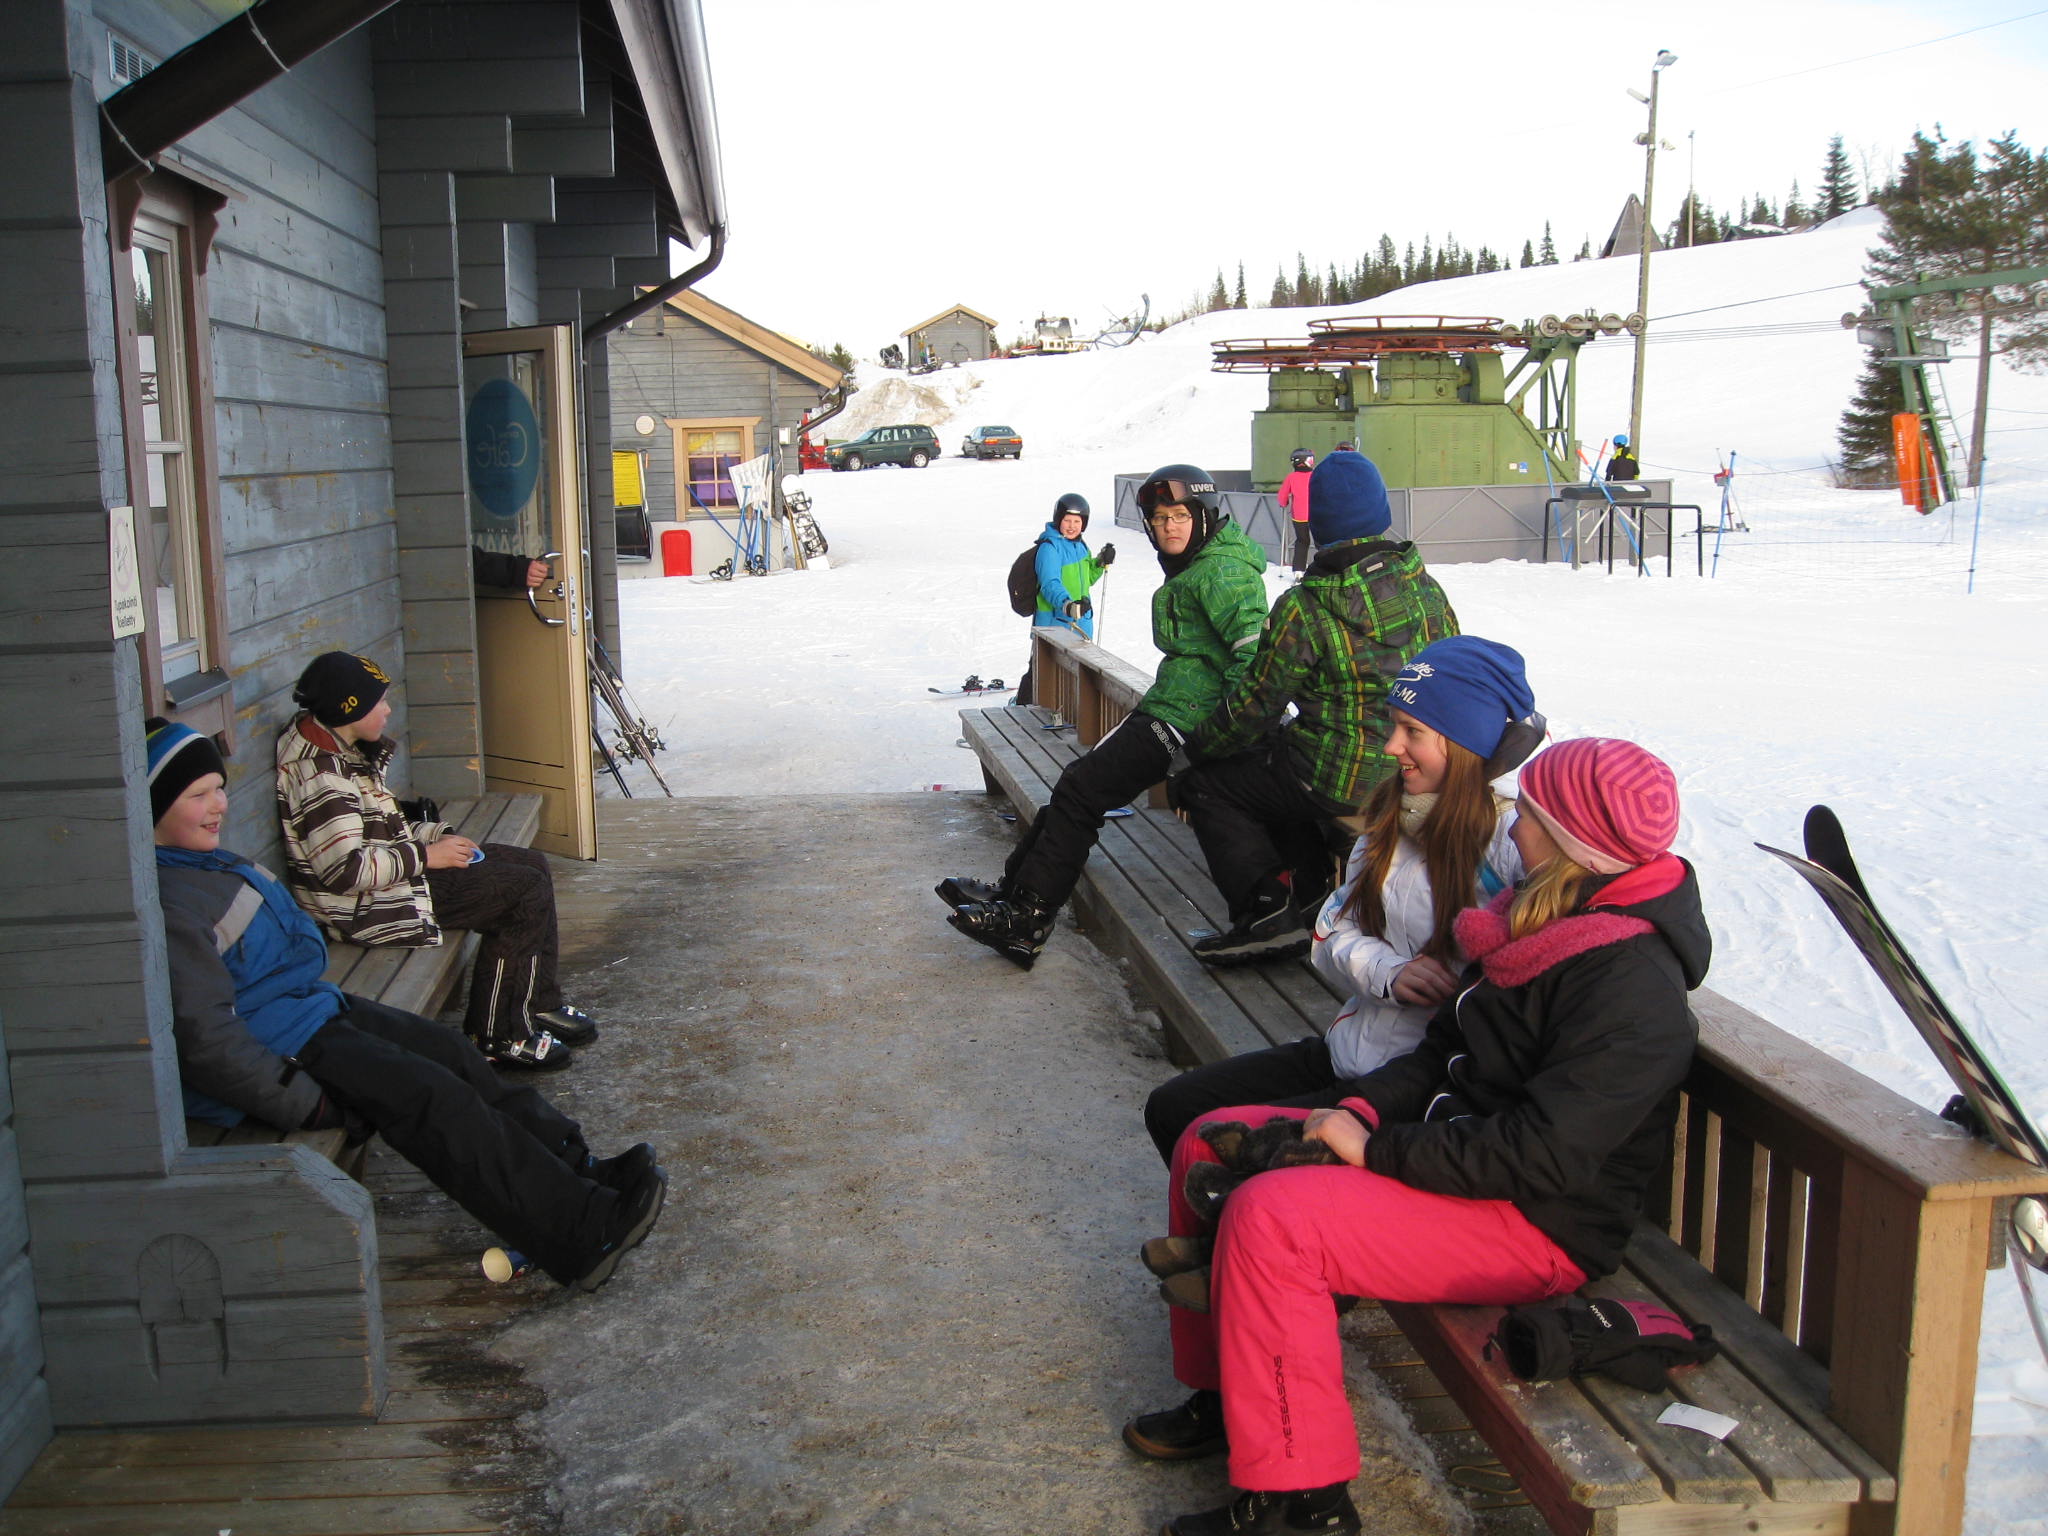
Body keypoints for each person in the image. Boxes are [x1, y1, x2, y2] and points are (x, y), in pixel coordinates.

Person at [1127, 736, 1707, 1536]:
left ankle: (1301, 1502)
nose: (1517, 827)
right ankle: (1226, 1399)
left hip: (1538, 1220)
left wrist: (1378, 1151)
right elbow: (1440, 1054)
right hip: (1463, 1159)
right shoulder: (1543, 919)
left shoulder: (1630, 984)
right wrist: (1363, 1113)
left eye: (1533, 815)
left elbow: (1544, 1154)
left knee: (1273, 1220)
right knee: (1205, 1135)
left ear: (1575, 842)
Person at [147, 719, 666, 1291]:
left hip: (312, 1008)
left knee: (452, 1054)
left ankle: (578, 1171)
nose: (219, 805)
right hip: (286, 1050)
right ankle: (578, 1233)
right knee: (432, 1099)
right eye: (197, 795)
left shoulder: (204, 863)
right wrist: (302, 1103)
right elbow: (206, 1042)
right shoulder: (169, 905)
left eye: (219, 788)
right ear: (153, 808)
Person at [1140, 637, 1542, 1161]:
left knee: (1225, 1151)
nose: (1390, 746)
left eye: (1412, 731)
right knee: (1174, 1106)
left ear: (1465, 742)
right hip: (1350, 1051)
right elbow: (1333, 926)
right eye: (1393, 726)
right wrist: (1388, 973)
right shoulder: (1399, 814)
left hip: (1416, 1090)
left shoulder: (1512, 841)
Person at [938, 465, 1267, 969]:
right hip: (1173, 706)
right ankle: (1016, 893)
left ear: (1203, 516)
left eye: (1180, 516)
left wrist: (1218, 737)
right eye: (1159, 519)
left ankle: (1028, 917)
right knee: (1078, 785)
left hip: (1188, 719)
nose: (1169, 527)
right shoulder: (1202, 563)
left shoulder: (1223, 571)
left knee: (1083, 791)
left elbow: (1254, 659)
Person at [1174, 450, 1458, 966]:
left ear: (1320, 524)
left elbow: (1256, 707)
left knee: (1212, 783)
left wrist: (1194, 751)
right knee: (1279, 768)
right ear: (1381, 512)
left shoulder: (1306, 606)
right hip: (1416, 768)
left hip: (1340, 777)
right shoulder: (1427, 592)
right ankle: (1307, 895)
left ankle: (1266, 910)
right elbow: (1451, 677)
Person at [276, 651, 597, 1072]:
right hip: (368, 908)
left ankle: (536, 1001)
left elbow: (374, 826)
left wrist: (433, 836)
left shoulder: (337, 746)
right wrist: (428, 855)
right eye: (378, 702)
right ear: (347, 709)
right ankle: (498, 1034)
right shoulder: (322, 780)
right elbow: (345, 871)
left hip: (389, 882)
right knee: (522, 891)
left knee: (531, 863)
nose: (388, 709)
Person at [1016, 492, 1114, 707]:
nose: (1072, 526)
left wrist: (1099, 563)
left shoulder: (1080, 546)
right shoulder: (1049, 548)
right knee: (1042, 672)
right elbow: (1050, 584)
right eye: (1067, 520)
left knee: (1075, 675)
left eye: (1077, 521)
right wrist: (1067, 605)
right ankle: (1021, 708)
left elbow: (1086, 579)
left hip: (1080, 624)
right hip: (1054, 624)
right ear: (1058, 519)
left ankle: (1067, 711)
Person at [1277, 449, 1314, 575]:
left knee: (1302, 541)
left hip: (1299, 516)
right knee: (1321, 542)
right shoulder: (1316, 475)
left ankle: (1298, 570)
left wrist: (1283, 503)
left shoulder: (1291, 477)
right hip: (1317, 514)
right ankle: (1325, 568)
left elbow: (1282, 496)